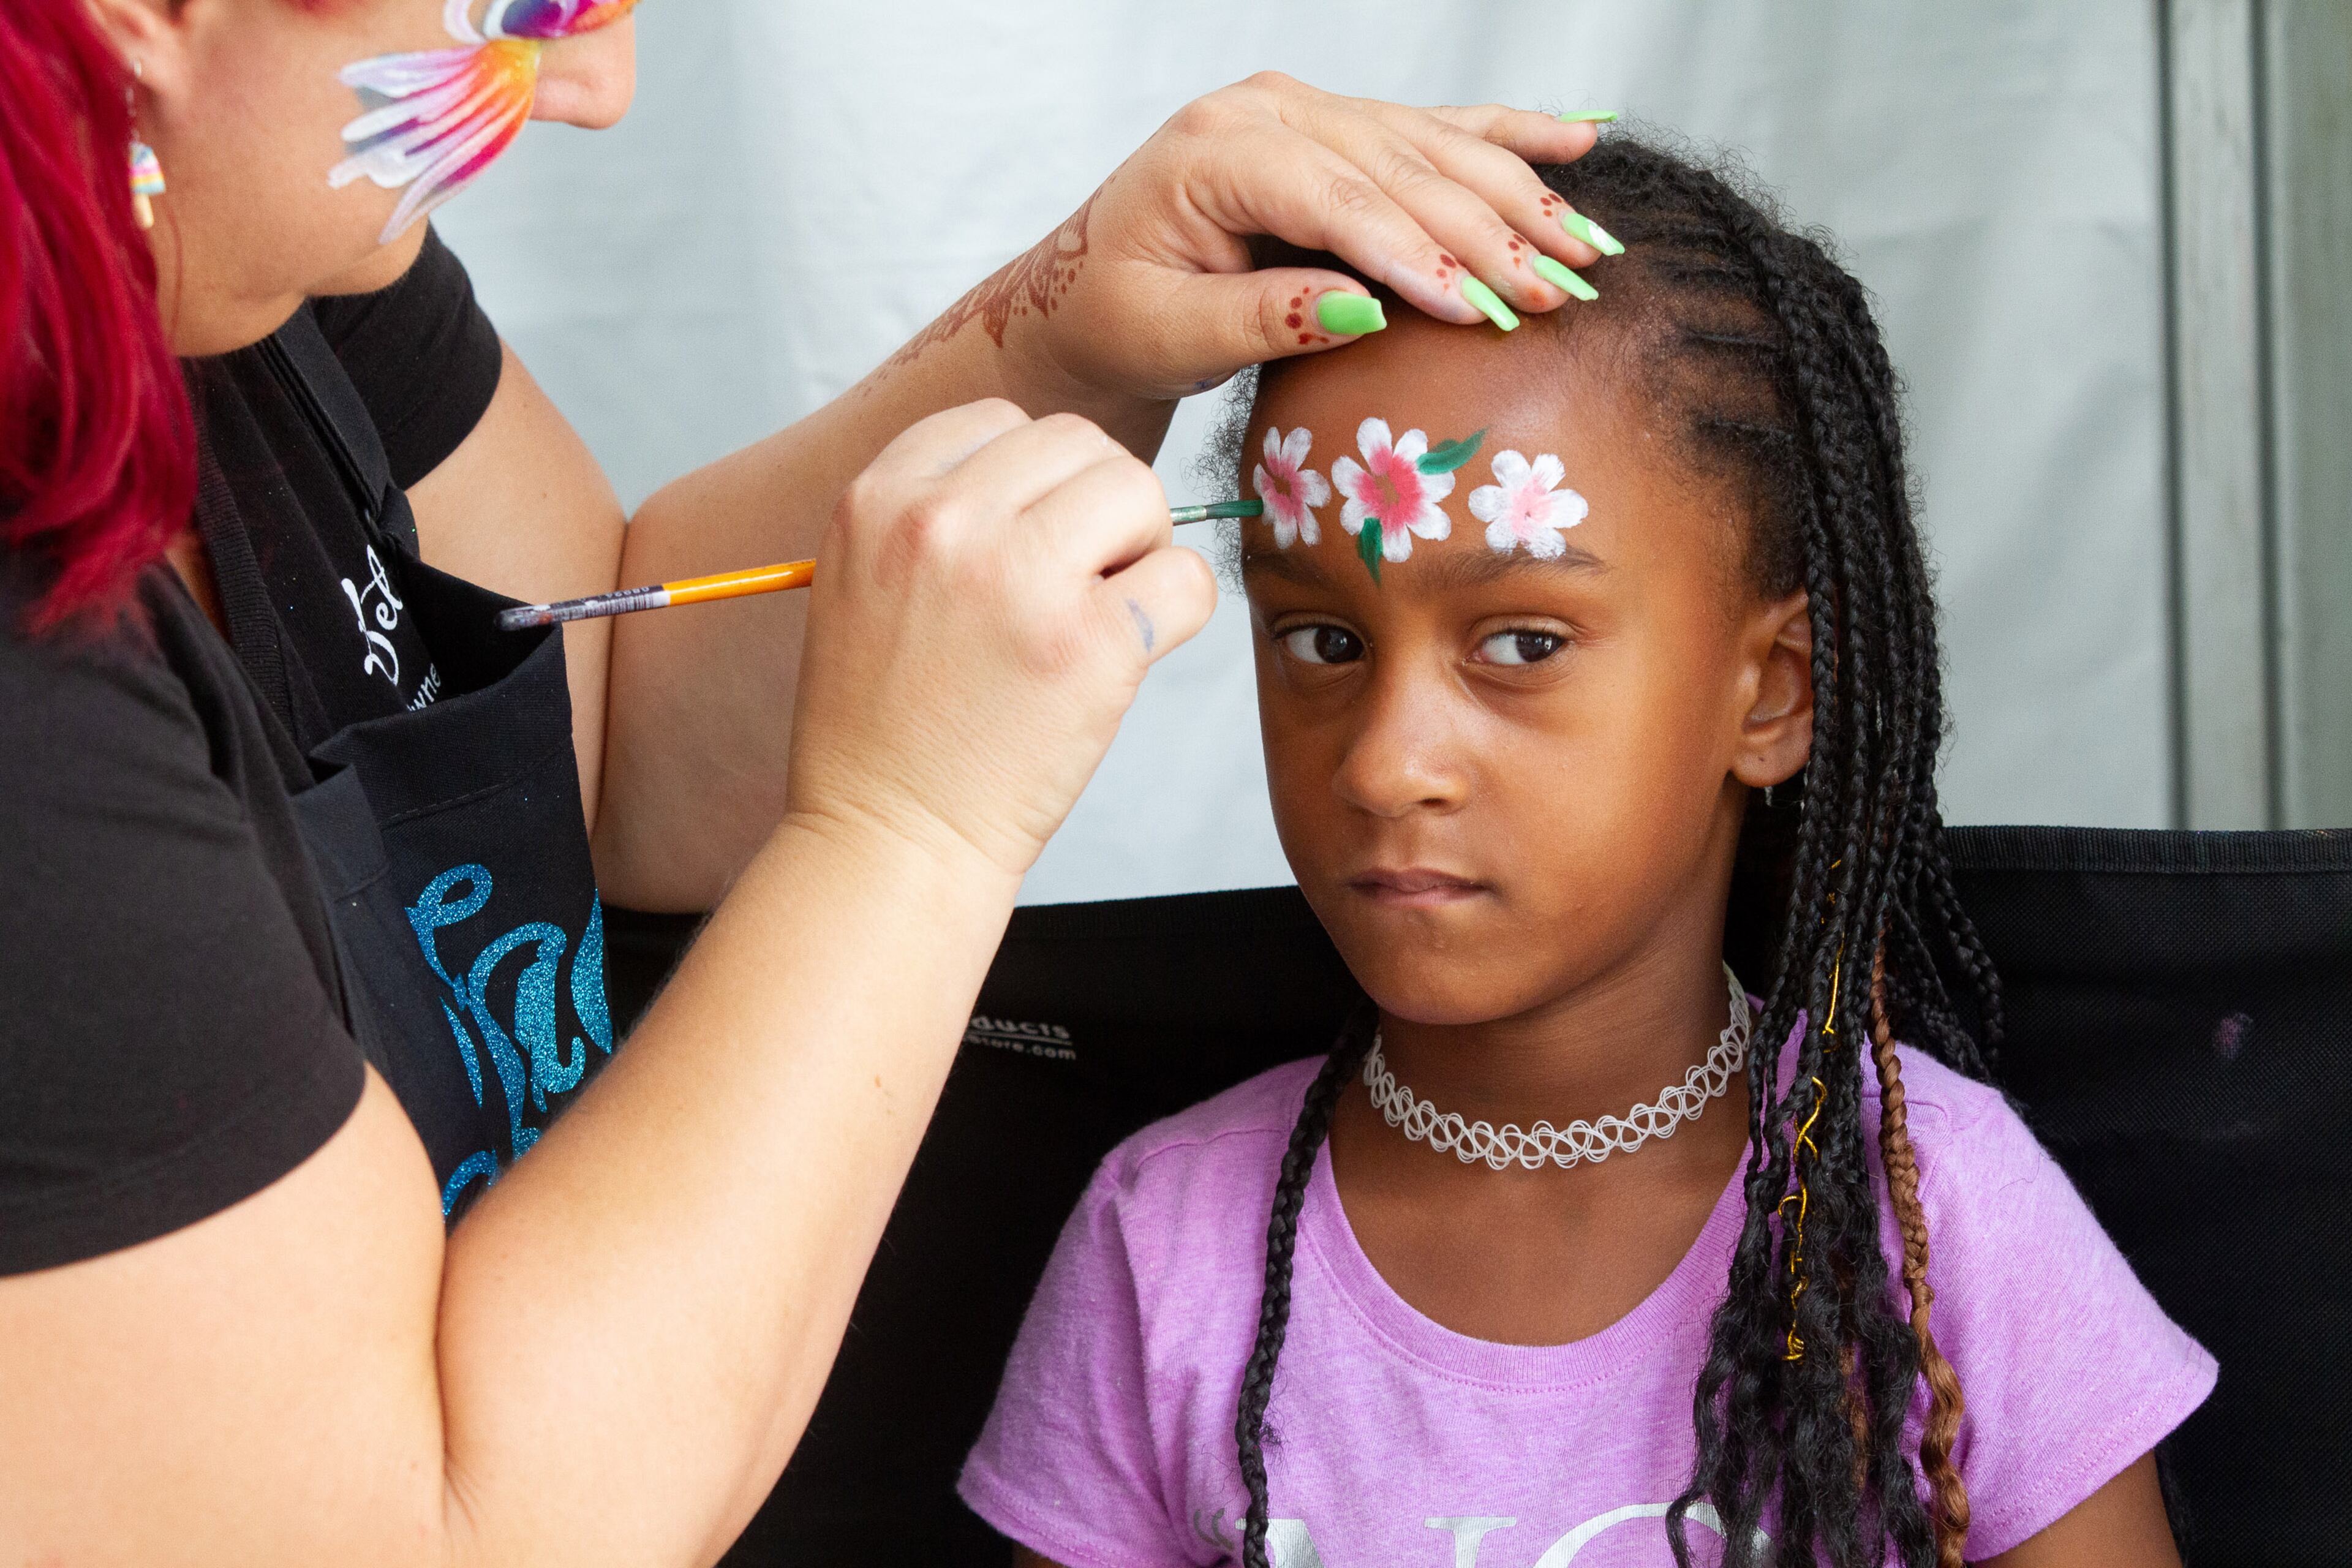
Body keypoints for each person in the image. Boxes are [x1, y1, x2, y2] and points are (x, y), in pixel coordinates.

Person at [0, 0, 1624, 1561]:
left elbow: (598, 723)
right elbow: (447, 1539)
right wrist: (909, 826)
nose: (597, 88)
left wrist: (1062, 338)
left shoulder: (237, 241)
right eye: (528, 7)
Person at [959, 138, 2215, 1568]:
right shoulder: (1167, 1246)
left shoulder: (1935, 1215)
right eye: (1322, 640)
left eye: (1523, 643)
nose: (1386, 761)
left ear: (1773, 692)